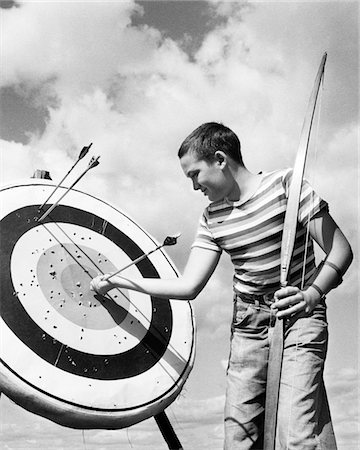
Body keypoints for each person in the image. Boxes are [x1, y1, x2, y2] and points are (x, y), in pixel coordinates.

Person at [91, 122, 353, 449]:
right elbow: (189, 286)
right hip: (249, 326)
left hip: (300, 318)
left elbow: (340, 250)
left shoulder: (287, 186)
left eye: (194, 175)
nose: (194, 186)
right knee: (239, 437)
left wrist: (312, 294)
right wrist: (122, 281)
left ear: (219, 159)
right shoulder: (211, 217)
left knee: (296, 434)